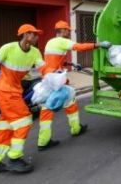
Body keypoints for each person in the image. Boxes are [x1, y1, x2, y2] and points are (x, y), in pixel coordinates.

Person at [0, 24, 51, 176]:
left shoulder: (35, 52)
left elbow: (43, 68)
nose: (37, 37)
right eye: (34, 34)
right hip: (5, 91)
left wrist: (53, 77)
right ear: (26, 35)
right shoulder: (8, 48)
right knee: (24, 121)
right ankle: (14, 158)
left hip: (15, 91)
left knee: (5, 126)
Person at [37, 20, 111, 151]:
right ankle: (62, 134)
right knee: (52, 106)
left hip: (49, 77)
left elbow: (55, 59)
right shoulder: (62, 41)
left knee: (67, 101)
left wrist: (70, 64)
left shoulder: (51, 42)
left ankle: (68, 131)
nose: (69, 32)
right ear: (63, 30)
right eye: (68, 30)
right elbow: (79, 47)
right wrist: (99, 44)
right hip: (56, 79)